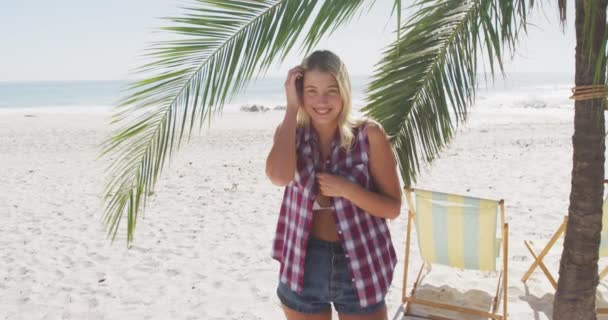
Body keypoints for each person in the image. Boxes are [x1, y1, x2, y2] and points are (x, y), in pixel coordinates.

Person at [265, 50, 402, 320]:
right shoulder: (289, 132)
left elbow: (392, 208)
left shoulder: (369, 135)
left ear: (344, 91)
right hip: (303, 263)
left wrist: (347, 190)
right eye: (311, 91)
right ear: (300, 93)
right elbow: (278, 177)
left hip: (361, 262)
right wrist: (292, 108)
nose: (322, 101)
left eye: (331, 90)